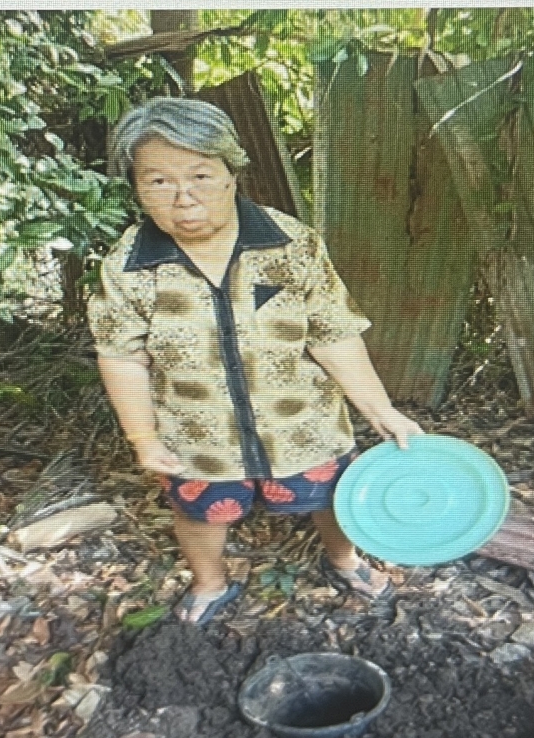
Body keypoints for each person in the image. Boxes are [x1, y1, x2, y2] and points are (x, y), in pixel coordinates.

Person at [88, 97, 423, 625]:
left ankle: (344, 560)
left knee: (332, 495)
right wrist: (144, 439)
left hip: (302, 424)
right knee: (198, 509)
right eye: (158, 182)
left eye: (200, 176)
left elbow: (333, 333)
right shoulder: (128, 265)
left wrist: (381, 411)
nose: (183, 198)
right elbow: (122, 356)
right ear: (136, 186)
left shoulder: (290, 245)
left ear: (232, 172)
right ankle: (210, 581)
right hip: (197, 435)